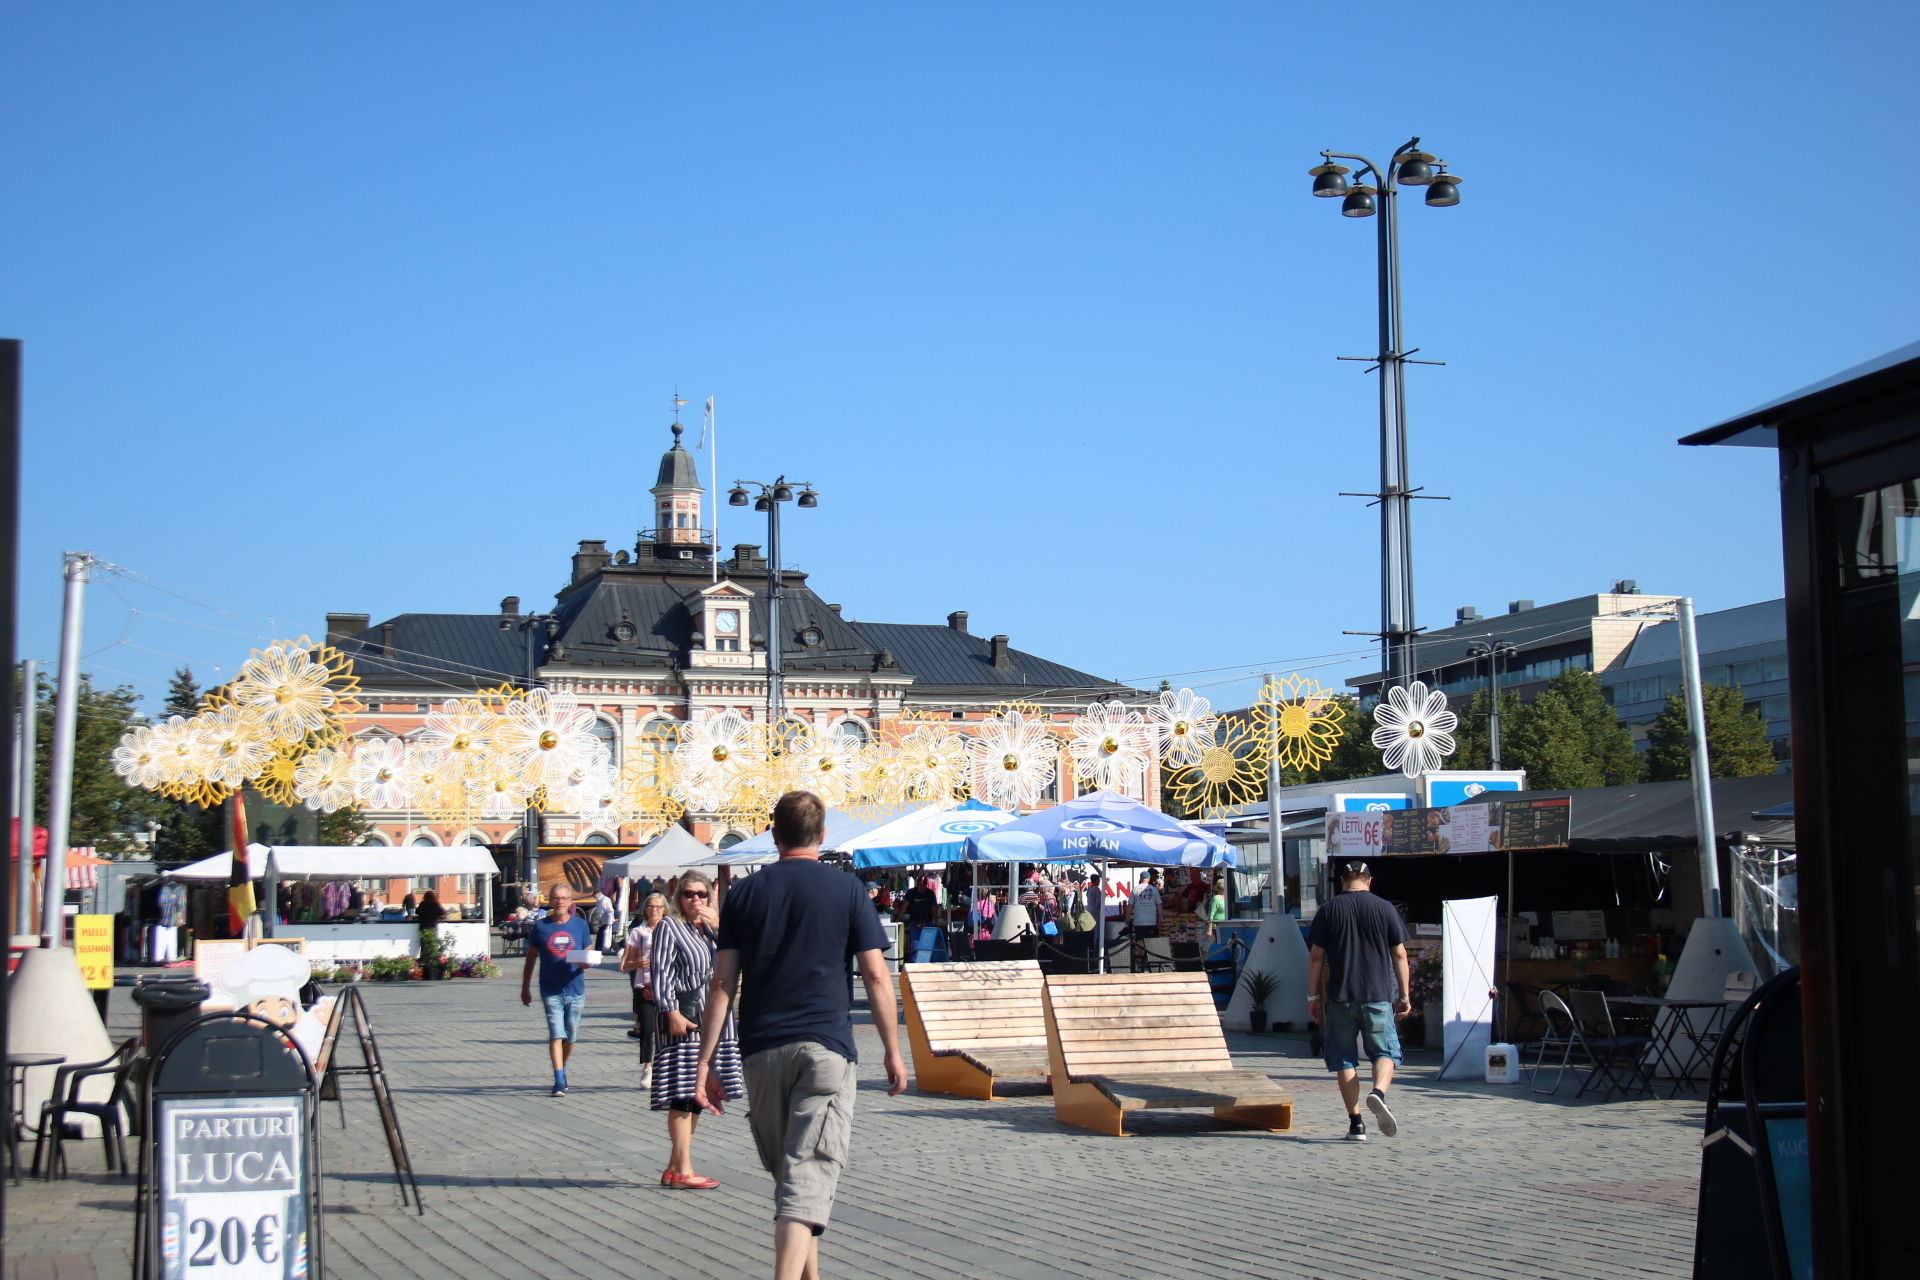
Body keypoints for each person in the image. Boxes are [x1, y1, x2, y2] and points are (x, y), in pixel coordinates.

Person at [695, 791, 907, 1280]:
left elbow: (723, 982)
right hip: (826, 1047)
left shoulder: (744, 894)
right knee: (805, 1172)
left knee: (793, 1174)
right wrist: (894, 1051)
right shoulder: (847, 889)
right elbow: (876, 976)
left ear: (774, 834)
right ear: (823, 836)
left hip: (762, 1049)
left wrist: (706, 1062)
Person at [1306, 861, 1411, 1143]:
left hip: (1340, 996)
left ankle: (1356, 1125)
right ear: (1369, 880)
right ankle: (1377, 1094)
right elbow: (1399, 955)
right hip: (1377, 995)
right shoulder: (1385, 908)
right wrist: (1404, 996)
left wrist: (1313, 996)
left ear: (1342, 882)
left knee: (1343, 1059)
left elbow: (1316, 956)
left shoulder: (1328, 910)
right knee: (1385, 1052)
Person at [651, 869, 739, 1189]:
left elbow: (736, 961)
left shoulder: (712, 930)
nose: (696, 900)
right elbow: (659, 971)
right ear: (678, 897)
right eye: (689, 894)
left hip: (712, 1021)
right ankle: (684, 1170)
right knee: (683, 1094)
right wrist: (669, 1010)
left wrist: (720, 927)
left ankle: (675, 1167)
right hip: (684, 1018)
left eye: (702, 894)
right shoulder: (669, 926)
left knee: (698, 1096)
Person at [519, 882, 592, 1097]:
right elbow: (531, 959)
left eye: (563, 898)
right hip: (551, 988)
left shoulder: (580, 925)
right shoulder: (541, 927)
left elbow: (588, 953)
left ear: (570, 902)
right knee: (556, 1033)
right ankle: (559, 1079)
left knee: (571, 1035)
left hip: (575, 987)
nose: (559, 901)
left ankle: (563, 1066)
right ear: (550, 901)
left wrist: (586, 963)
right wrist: (525, 988)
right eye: (556, 898)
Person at [623, 892, 670, 1074]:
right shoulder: (638, 932)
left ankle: (665, 1064)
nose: (654, 910)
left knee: (666, 1028)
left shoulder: (672, 930)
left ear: (665, 910)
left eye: (658, 907)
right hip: (646, 987)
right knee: (648, 1027)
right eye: (651, 906)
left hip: (667, 987)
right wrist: (637, 964)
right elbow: (628, 962)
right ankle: (648, 1066)